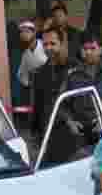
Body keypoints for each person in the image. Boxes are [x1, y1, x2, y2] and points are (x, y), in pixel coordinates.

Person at [31, 26, 84, 164]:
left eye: (53, 44)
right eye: (45, 44)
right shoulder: (40, 73)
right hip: (48, 137)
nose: (48, 48)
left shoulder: (75, 68)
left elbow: (81, 103)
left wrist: (72, 122)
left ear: (61, 44)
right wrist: (36, 136)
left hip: (72, 138)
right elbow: (38, 107)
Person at [16, 19, 47, 130]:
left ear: (34, 32)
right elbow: (20, 74)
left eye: (27, 31)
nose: (24, 34)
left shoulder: (44, 44)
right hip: (37, 90)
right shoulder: (26, 54)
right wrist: (30, 82)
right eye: (22, 32)